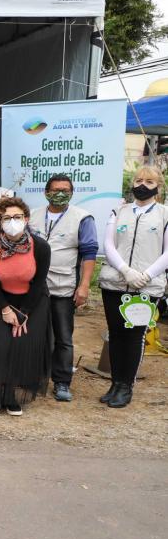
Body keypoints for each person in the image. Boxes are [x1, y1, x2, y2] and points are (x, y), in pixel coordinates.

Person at [98, 165, 168, 408]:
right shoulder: (118, 211)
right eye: (138, 180)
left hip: (146, 287)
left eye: (149, 182)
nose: (142, 185)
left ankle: (126, 385)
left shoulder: (164, 214)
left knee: (134, 336)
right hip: (115, 283)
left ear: (158, 187)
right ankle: (115, 383)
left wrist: (145, 275)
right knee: (115, 334)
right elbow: (109, 244)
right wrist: (125, 271)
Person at [28, 173, 97, 402]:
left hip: (63, 287)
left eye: (65, 190)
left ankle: (61, 382)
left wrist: (84, 285)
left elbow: (89, 254)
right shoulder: (32, 216)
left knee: (63, 337)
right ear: (46, 192)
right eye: (55, 189)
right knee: (35, 335)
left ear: (72, 192)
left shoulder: (83, 218)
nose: (60, 193)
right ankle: (35, 378)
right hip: (35, 287)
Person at [0, 197, 52, 417]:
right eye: (7, 218)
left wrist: (24, 314)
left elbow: (39, 283)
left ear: (26, 218)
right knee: (0, 347)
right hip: (1, 300)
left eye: (17, 217)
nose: (12, 221)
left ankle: (12, 397)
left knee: (21, 347)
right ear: (0, 221)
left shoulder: (40, 247)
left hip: (32, 302)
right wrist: (5, 309)